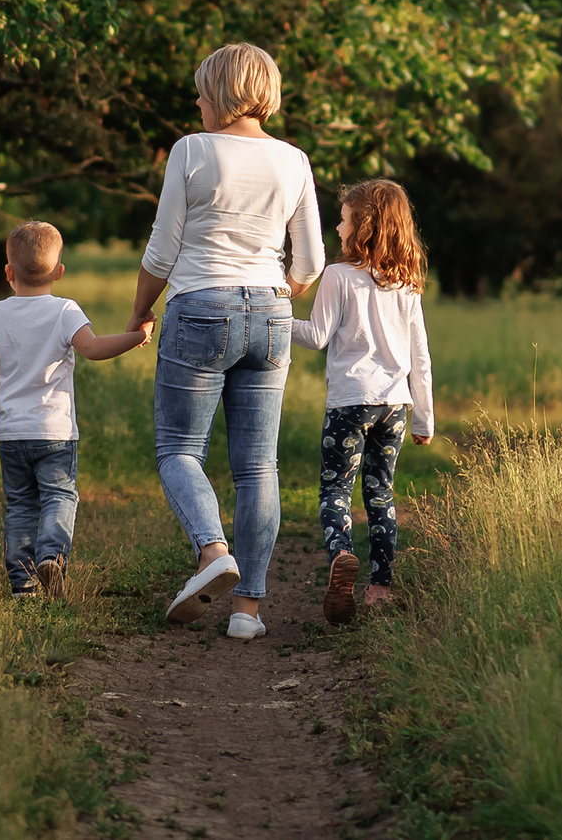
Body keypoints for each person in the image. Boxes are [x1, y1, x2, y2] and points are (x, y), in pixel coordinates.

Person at [129, 42, 326, 640]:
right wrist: (276, 292)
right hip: (269, 312)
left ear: (222, 93)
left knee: (179, 450)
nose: (195, 101)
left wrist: (141, 310)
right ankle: (248, 612)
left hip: (199, 308)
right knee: (258, 465)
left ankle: (213, 551)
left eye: (201, 91)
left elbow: (163, 249)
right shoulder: (294, 160)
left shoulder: (192, 149)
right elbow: (312, 259)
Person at [0, 220, 153, 599]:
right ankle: (51, 556)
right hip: (53, 431)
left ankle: (22, 585)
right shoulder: (64, 310)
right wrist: (138, 336)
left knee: (21, 504)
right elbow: (93, 348)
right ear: (59, 272)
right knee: (59, 496)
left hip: (11, 431)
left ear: (8, 272)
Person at [292, 178, 435, 623]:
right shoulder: (407, 286)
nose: (337, 228)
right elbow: (420, 358)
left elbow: (315, 337)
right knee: (380, 493)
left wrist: (275, 317)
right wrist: (424, 421)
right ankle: (380, 587)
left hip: (349, 404)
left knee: (335, 489)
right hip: (394, 405)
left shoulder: (337, 277)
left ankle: (340, 555)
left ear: (364, 225)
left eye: (343, 219)